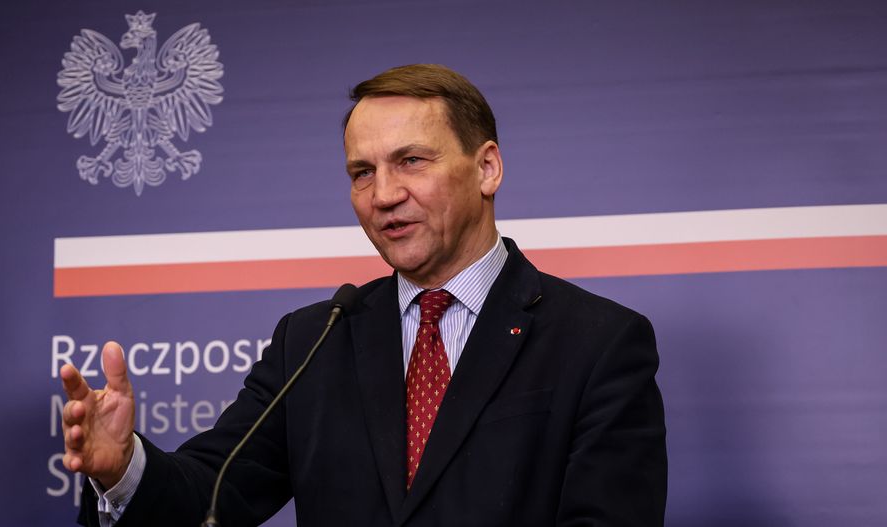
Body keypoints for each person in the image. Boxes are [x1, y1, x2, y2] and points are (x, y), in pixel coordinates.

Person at [61, 64, 667, 526]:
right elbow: (213, 493)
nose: (383, 195)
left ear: (487, 169)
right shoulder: (315, 338)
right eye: (362, 173)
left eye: (411, 161)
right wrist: (123, 471)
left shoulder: (598, 343)